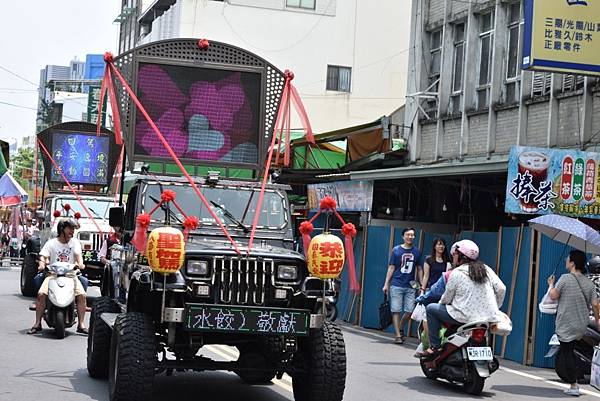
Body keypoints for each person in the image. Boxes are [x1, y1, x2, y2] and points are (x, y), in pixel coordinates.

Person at [425, 239, 506, 356]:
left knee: (431, 309)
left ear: (461, 256)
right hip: (487, 317)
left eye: (455, 254)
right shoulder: (486, 269)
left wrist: (442, 304)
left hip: (463, 317)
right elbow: (501, 289)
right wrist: (496, 307)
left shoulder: (456, 272)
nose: (453, 257)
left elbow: (447, 297)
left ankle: (434, 347)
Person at [547, 250, 600, 397]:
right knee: (569, 351)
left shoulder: (565, 278)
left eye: (568, 259)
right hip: (582, 325)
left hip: (566, 324)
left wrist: (551, 284)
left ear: (572, 263)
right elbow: (595, 305)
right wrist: (597, 320)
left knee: (567, 353)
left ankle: (574, 385)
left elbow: (553, 296)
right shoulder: (588, 283)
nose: (566, 260)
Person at [27, 218, 88, 335]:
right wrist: (41, 264)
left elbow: (78, 255)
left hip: (71, 275)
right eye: (70, 228)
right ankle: (37, 323)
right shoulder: (51, 243)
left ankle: (81, 324)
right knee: (41, 295)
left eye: (73, 229)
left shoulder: (74, 242)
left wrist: (80, 264)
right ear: (62, 229)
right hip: (53, 275)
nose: (72, 231)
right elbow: (43, 256)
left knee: (82, 296)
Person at [383, 227, 421, 344]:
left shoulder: (417, 251)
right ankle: (398, 335)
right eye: (408, 235)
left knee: (410, 310)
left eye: (412, 235)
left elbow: (419, 268)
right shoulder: (396, 250)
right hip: (396, 284)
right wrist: (386, 284)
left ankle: (399, 326)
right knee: (396, 310)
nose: (410, 237)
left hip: (410, 285)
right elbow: (391, 267)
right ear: (403, 236)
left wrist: (421, 286)